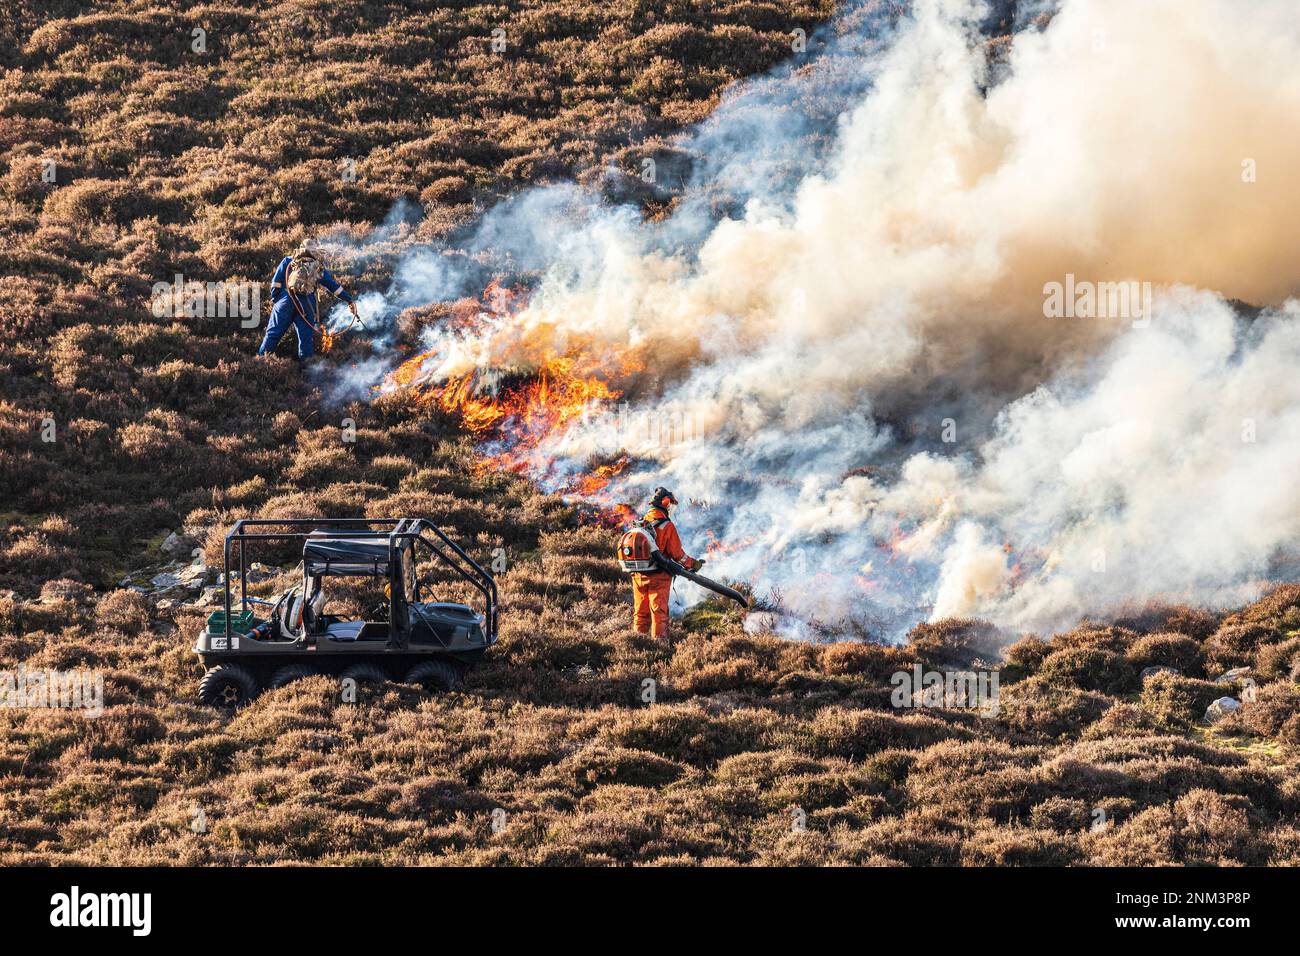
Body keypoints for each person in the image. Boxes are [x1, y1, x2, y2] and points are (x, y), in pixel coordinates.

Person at [257, 241, 358, 369]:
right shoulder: (317, 267)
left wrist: (277, 299)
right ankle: (307, 373)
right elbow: (334, 287)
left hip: (285, 302)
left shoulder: (287, 261)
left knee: (272, 335)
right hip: (306, 305)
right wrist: (349, 300)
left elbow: (275, 283)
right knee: (305, 341)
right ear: (314, 251)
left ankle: (259, 363)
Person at [631, 487, 703, 640]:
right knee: (659, 613)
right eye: (670, 504)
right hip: (658, 576)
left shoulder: (641, 523)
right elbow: (678, 554)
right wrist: (693, 564)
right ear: (665, 502)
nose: (671, 508)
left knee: (641, 612)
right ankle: (660, 647)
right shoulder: (666, 525)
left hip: (638, 575)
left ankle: (638, 644)